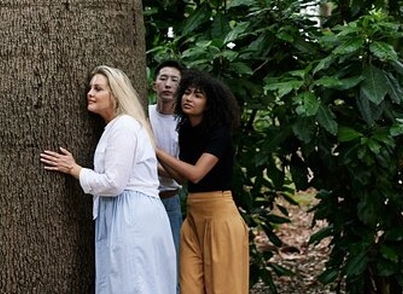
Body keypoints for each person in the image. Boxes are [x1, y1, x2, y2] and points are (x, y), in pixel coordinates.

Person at [40, 65, 176, 294]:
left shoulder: (123, 126)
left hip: (131, 215)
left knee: (134, 283)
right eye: (90, 88)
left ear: (115, 95)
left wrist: (75, 169)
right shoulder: (119, 126)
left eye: (98, 89)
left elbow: (113, 183)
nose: (90, 93)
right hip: (130, 212)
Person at [155, 70, 249, 294]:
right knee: (189, 287)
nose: (189, 98)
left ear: (209, 103)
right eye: (187, 93)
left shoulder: (220, 133)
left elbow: (196, 173)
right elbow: (181, 177)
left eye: (198, 95)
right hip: (194, 215)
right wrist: (148, 160)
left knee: (224, 288)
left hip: (220, 217)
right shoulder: (186, 130)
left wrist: (155, 150)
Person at [148, 60, 184, 273]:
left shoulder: (183, 124)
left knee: (171, 265)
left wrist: (147, 162)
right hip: (143, 198)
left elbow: (180, 175)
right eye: (163, 78)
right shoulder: (143, 114)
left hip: (169, 200)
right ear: (154, 85)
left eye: (174, 80)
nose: (168, 84)